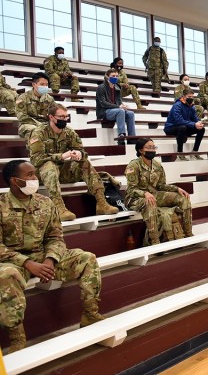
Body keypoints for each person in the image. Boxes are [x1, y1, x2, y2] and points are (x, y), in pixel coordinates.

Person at [0, 160, 104, 353]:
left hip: (44, 257)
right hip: (12, 262)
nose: (35, 178)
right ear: (15, 181)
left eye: (34, 174)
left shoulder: (45, 202)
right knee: (5, 276)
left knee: (86, 258)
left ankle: (90, 315)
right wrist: (27, 263)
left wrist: (50, 259)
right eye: (29, 175)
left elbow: (55, 237)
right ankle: (17, 340)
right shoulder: (1, 205)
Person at [28, 104, 120, 221]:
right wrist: (61, 156)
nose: (65, 119)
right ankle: (59, 208)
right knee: (49, 165)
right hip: (43, 174)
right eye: (61, 117)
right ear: (51, 117)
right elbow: (36, 159)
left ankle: (101, 203)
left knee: (84, 162)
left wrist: (79, 154)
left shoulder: (69, 132)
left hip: (64, 172)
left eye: (66, 117)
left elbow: (82, 151)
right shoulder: (38, 132)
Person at [125, 139, 193, 245]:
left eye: (154, 147)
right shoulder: (133, 165)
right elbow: (130, 189)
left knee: (183, 198)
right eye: (149, 147)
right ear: (141, 150)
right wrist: (144, 194)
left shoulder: (157, 165)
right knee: (150, 203)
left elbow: (161, 185)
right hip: (135, 198)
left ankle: (188, 234)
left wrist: (176, 189)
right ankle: (155, 242)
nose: (152, 150)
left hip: (154, 195)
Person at [96, 68, 136, 144]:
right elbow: (103, 103)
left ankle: (132, 137)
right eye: (113, 76)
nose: (115, 78)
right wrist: (119, 107)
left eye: (116, 76)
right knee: (120, 111)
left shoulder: (117, 87)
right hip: (104, 112)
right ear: (107, 76)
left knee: (130, 113)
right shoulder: (101, 87)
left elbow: (119, 101)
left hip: (116, 110)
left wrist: (123, 105)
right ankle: (121, 135)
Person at [164, 89, 205, 161]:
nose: (191, 98)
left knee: (201, 129)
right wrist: (193, 124)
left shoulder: (191, 106)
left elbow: (195, 117)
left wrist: (199, 123)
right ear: (183, 96)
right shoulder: (177, 105)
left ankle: (195, 152)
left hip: (185, 126)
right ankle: (180, 153)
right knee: (182, 127)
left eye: (192, 97)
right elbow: (179, 120)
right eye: (189, 96)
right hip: (171, 127)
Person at [15, 72, 55, 140]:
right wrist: (40, 125)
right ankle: (36, 150)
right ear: (34, 84)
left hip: (45, 124)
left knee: (64, 130)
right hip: (27, 124)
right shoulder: (23, 97)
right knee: (35, 131)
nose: (45, 87)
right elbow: (22, 117)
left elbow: (54, 114)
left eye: (46, 85)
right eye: (42, 84)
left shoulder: (49, 99)